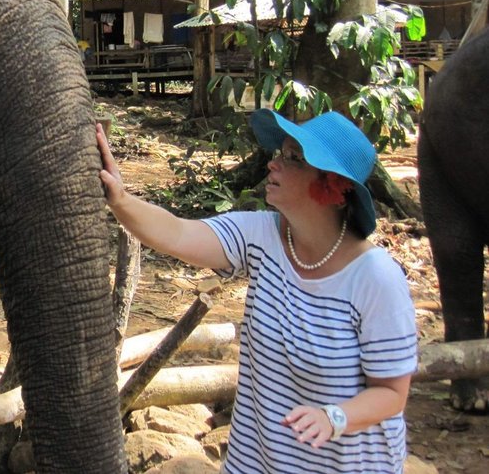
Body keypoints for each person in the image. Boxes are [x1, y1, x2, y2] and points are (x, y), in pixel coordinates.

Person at [97, 109, 417, 473]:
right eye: (279, 153)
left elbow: (392, 394)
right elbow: (178, 233)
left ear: (333, 187)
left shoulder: (376, 279)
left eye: (293, 158)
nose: (273, 165)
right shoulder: (261, 237)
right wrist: (119, 199)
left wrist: (335, 418)